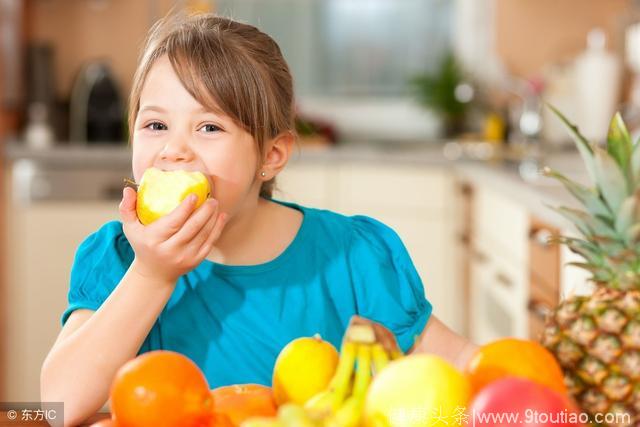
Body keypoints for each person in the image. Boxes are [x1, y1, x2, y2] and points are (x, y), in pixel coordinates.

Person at [40, 12, 477, 425]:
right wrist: (152, 274)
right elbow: (57, 405)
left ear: (271, 155)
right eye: (156, 125)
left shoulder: (353, 257)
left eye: (209, 127)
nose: (174, 150)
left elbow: (471, 373)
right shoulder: (119, 259)